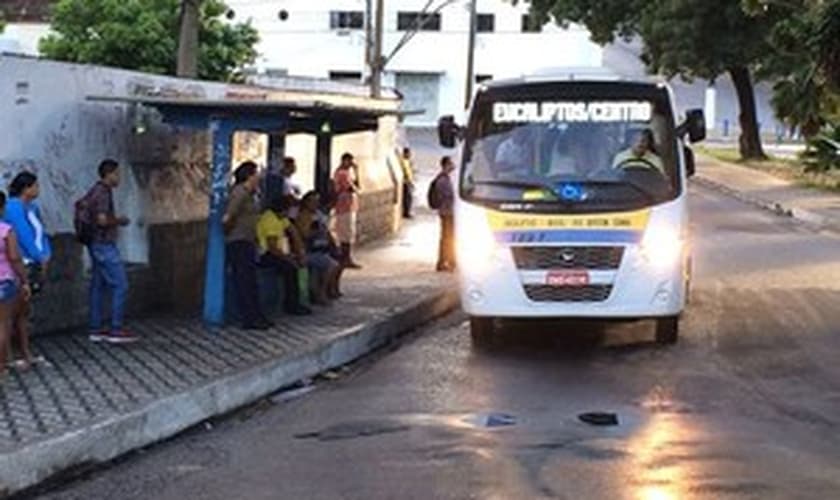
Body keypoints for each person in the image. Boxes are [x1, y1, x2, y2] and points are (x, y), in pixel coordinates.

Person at [85, 159, 137, 343]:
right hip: (104, 244)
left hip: (94, 243)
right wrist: (119, 220)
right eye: (117, 173)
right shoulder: (103, 193)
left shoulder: (94, 190)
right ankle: (116, 328)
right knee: (120, 284)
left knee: (98, 286)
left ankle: (95, 327)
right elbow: (101, 220)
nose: (119, 177)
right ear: (110, 173)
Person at [223, 161, 273, 330]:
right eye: (256, 173)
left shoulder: (252, 194)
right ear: (249, 175)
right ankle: (249, 318)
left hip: (248, 240)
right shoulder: (240, 193)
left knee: (251, 281)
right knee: (244, 280)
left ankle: (256, 314)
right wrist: (230, 232)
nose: (259, 176)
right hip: (239, 241)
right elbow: (229, 216)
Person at [256, 196, 312, 315]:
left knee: (295, 264)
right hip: (265, 254)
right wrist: (289, 258)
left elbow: (293, 232)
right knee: (290, 269)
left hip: (278, 251)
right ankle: (291, 305)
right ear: (282, 209)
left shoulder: (281, 218)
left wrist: (300, 252)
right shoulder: (270, 220)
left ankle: (298, 300)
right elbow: (272, 247)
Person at [0, 192, 33, 378]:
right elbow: (14, 257)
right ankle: (1, 366)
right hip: (4, 281)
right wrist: (24, 280)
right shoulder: (6, 230)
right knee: (3, 325)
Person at [4, 172, 51, 294]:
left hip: (37, 260)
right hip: (24, 260)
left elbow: (40, 232)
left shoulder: (32, 207)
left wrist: (46, 253)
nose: (38, 189)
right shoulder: (13, 207)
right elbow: (24, 235)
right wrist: (39, 256)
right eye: (35, 186)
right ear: (25, 188)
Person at [295, 191, 342, 304]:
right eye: (312, 201)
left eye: (317, 201)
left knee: (331, 265)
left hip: (322, 248)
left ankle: (326, 291)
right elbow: (304, 234)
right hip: (309, 250)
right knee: (332, 265)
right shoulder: (304, 216)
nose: (315, 204)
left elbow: (327, 230)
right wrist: (316, 231)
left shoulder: (319, 214)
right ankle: (321, 293)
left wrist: (333, 244)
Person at [333, 152, 362, 269]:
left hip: (348, 206)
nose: (351, 164)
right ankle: (345, 258)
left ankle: (346, 257)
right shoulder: (342, 174)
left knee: (348, 233)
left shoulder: (346, 173)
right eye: (349, 161)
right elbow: (353, 188)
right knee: (346, 234)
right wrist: (356, 173)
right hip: (344, 207)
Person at [434, 156, 456, 272]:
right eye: (451, 163)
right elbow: (449, 196)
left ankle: (447, 260)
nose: (453, 165)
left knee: (447, 238)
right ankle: (444, 261)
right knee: (447, 238)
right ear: (446, 165)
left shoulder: (445, 178)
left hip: (446, 212)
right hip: (447, 212)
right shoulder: (443, 180)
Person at [398, 147, 415, 218]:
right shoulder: (403, 162)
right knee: (407, 198)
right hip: (406, 183)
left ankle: (407, 212)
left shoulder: (408, 161)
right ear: (405, 153)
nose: (410, 155)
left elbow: (410, 172)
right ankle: (406, 213)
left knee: (409, 198)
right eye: (408, 153)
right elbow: (406, 173)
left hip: (409, 182)